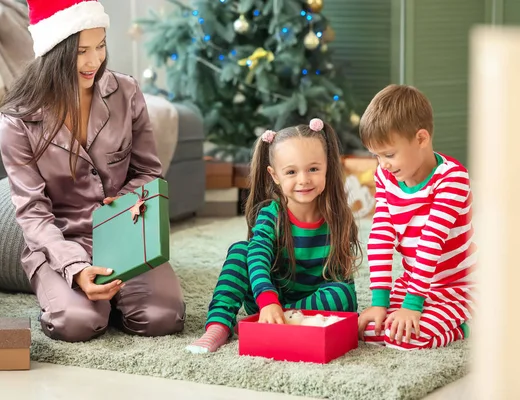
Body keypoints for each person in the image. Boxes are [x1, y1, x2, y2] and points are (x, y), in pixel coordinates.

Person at [0, 0, 185, 342]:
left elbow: (148, 172)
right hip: (63, 241)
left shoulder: (125, 93)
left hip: (124, 233)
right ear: (55, 51)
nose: (95, 61)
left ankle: (120, 299)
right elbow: (32, 212)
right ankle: (79, 297)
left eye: (100, 46)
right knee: (77, 323)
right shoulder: (17, 121)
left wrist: (124, 204)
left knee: (162, 318)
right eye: (82, 51)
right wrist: (76, 269)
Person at [186, 118, 362, 354]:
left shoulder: (338, 216)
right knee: (241, 251)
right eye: (291, 171)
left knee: (343, 295)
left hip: (310, 301)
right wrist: (268, 301)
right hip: (265, 297)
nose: (304, 179)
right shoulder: (272, 214)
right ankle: (218, 327)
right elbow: (258, 260)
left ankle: (284, 318)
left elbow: (343, 281)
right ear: (275, 175)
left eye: (313, 169)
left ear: (327, 167)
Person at [357, 84, 476, 350]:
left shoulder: (453, 179)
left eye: (388, 154)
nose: (382, 164)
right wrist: (379, 302)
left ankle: (469, 323)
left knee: (407, 339)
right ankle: (422, 310)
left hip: (456, 286)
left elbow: (430, 242)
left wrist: (412, 306)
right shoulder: (386, 176)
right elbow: (380, 235)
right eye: (376, 156)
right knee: (371, 332)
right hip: (415, 281)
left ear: (421, 139)